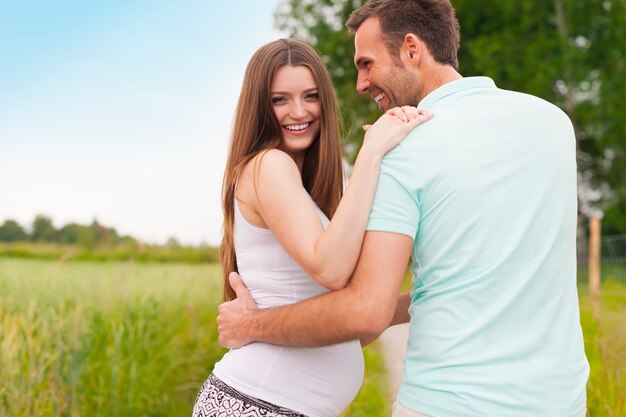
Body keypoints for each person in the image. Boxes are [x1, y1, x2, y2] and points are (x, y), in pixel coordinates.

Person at [216, 1, 590, 417]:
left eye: (366, 63)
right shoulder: (554, 123)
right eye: (280, 99)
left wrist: (249, 325)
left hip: (447, 404)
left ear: (411, 49)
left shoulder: (406, 144)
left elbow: (364, 309)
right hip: (561, 402)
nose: (359, 83)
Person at [193, 38, 432, 417]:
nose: (298, 111)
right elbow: (331, 268)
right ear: (259, 106)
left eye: (311, 96)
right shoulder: (269, 164)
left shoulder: (302, 190)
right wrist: (372, 152)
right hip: (256, 404)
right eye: (279, 99)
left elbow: (352, 323)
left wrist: (431, 296)